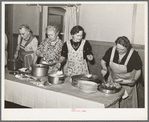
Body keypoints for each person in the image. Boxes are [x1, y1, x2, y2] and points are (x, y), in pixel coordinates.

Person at [101, 36, 142, 108]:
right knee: (112, 102)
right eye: (117, 48)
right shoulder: (112, 50)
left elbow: (138, 70)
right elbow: (103, 61)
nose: (119, 51)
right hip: (113, 81)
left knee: (126, 104)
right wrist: (104, 68)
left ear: (127, 47)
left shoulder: (134, 55)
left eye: (122, 50)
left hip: (128, 83)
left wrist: (134, 80)